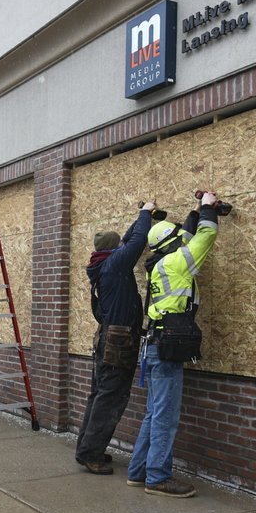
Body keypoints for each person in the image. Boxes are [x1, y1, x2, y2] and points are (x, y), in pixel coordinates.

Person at [127, 191, 219, 498]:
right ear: (171, 243)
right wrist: (207, 208)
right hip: (165, 351)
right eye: (178, 238)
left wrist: (195, 212)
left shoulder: (160, 265)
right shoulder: (177, 263)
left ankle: (138, 472)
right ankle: (157, 478)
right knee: (165, 416)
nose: (183, 241)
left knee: (154, 413)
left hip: (154, 346)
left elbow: (187, 239)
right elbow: (204, 237)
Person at [75, 200, 154, 475]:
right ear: (114, 249)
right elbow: (138, 240)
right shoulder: (115, 265)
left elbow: (130, 238)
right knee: (111, 397)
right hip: (118, 341)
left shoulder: (103, 264)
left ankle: (86, 449)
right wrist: (147, 212)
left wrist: (141, 216)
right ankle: (91, 453)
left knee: (99, 394)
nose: (123, 247)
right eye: (118, 245)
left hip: (106, 338)